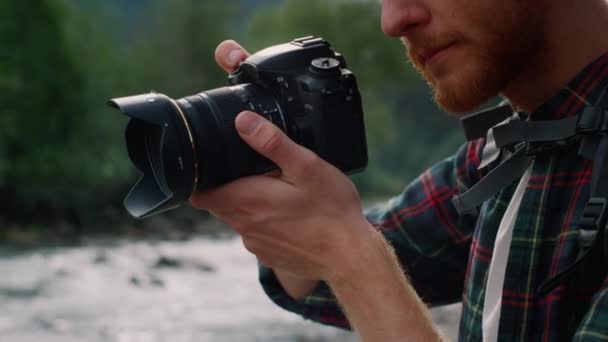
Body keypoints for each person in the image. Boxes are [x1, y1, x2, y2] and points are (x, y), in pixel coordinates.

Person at [190, 0, 608, 340]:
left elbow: (356, 256)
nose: (394, 21)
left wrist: (350, 256)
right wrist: (283, 158)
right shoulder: (512, 151)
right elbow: (319, 277)